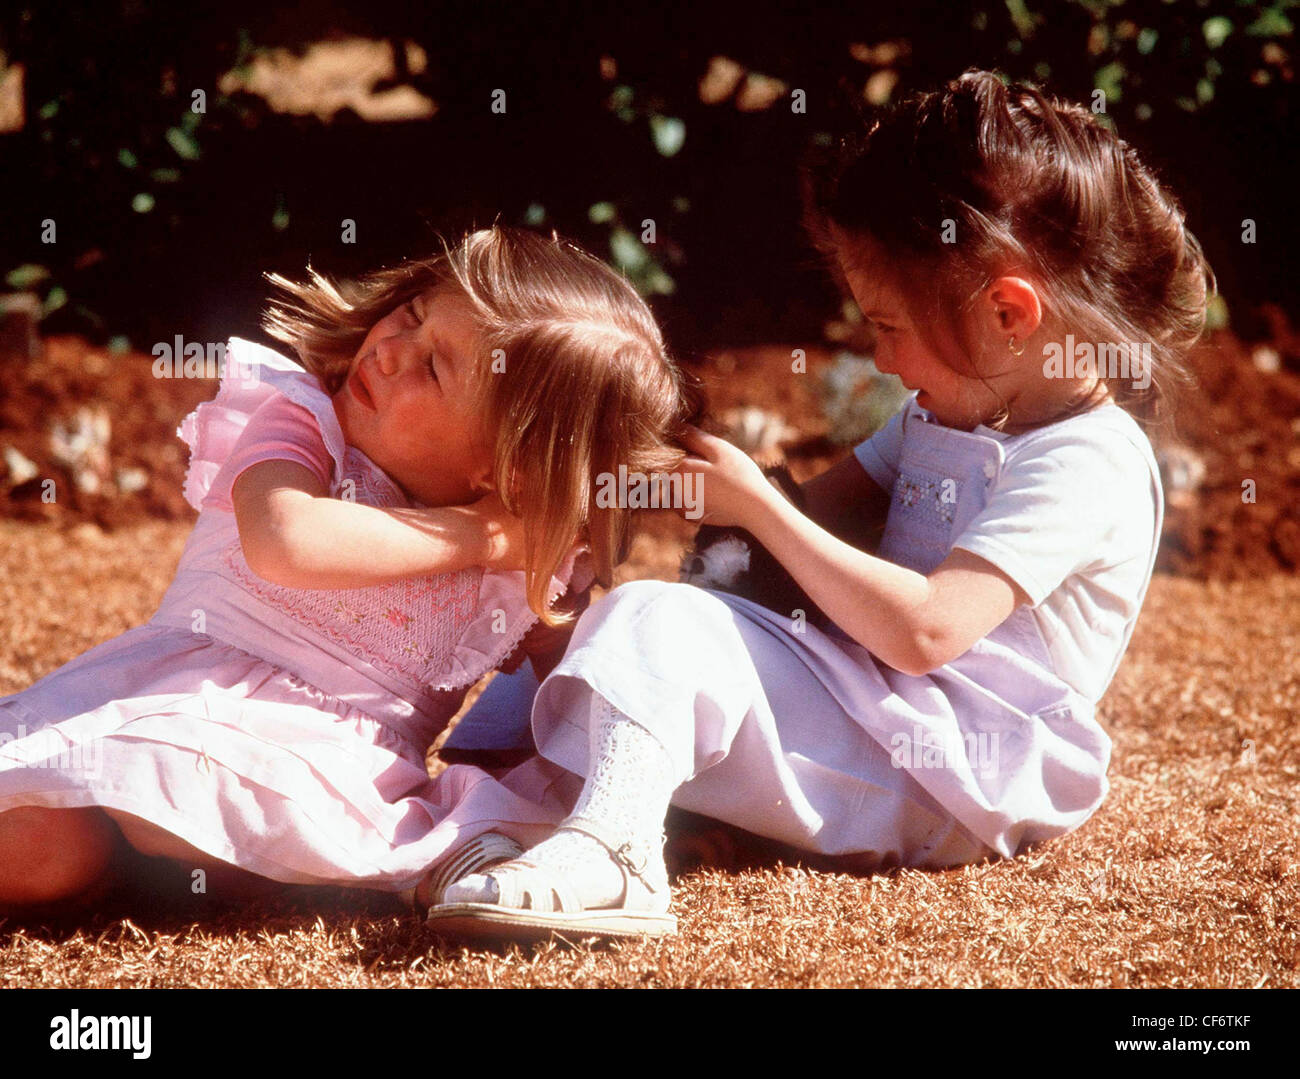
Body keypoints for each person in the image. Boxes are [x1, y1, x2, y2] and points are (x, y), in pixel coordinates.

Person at [427, 70, 1215, 942]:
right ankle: (476, 811)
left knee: (661, 620)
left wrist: (762, 511)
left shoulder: (1087, 460)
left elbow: (927, 632)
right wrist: (625, 476)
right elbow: (797, 516)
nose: (879, 359)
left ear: (1007, 312)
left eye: (887, 326)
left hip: (955, 770)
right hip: (872, 721)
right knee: (622, 625)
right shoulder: (944, 413)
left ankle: (614, 855)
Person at [0, 226, 700, 914]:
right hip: (187, 703)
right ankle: (148, 847)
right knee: (45, 846)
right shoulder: (302, 422)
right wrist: (481, 534)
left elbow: (594, 684)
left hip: (342, 773)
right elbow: (287, 542)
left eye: (433, 366)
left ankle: (181, 855)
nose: (391, 349)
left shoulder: (522, 575)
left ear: (507, 462)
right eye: (412, 313)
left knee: (492, 816)